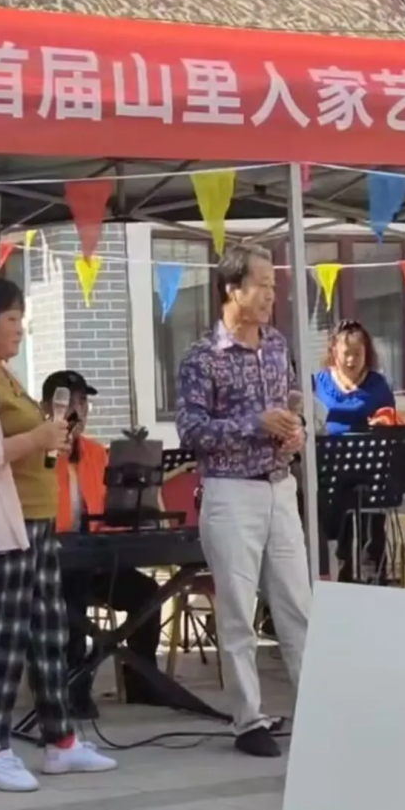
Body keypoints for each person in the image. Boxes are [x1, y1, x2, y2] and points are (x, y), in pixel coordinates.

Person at [0, 276, 116, 792]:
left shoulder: (3, 372)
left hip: (34, 520)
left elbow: (24, 440)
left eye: (20, 318)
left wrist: (51, 438)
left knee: (48, 632)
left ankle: (61, 740)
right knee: (5, 637)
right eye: (11, 319)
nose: (19, 328)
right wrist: (36, 438)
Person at [176, 244, 311, 758]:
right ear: (233, 289)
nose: (272, 295)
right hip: (231, 491)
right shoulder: (202, 357)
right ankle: (248, 720)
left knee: (298, 606)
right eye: (263, 285)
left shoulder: (276, 344)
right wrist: (253, 424)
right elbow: (191, 430)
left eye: (274, 286)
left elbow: (290, 400)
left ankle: (315, 708)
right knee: (238, 611)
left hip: (280, 485)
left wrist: (294, 429)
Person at [43, 370, 162, 717]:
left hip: (96, 557)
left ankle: (141, 683)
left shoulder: (97, 453)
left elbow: (110, 508)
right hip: (52, 562)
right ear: (46, 408)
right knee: (73, 595)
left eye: (83, 403)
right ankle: (73, 687)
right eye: (69, 402)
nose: (78, 410)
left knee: (147, 594)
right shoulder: (38, 453)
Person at [313, 319, 396, 582]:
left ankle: (375, 590)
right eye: (346, 353)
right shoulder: (318, 382)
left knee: (372, 539)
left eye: (357, 354)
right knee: (338, 542)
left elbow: (390, 418)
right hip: (328, 475)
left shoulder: (377, 384)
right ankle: (341, 587)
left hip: (368, 474)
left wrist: (383, 422)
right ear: (334, 351)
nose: (351, 360)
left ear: (366, 353)